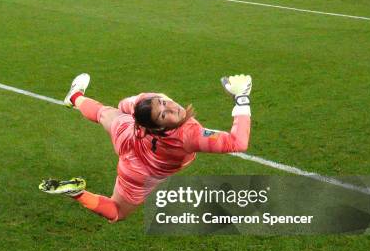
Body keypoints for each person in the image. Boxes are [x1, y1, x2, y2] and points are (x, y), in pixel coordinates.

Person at [39, 73, 252, 222]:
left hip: (128, 136)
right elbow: (238, 142)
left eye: (163, 103)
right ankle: (77, 193)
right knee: (117, 212)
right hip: (141, 172)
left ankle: (75, 97)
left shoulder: (144, 102)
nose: (170, 107)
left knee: (104, 113)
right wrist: (241, 98)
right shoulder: (188, 135)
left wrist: (139, 112)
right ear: (157, 126)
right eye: (162, 114)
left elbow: (124, 105)